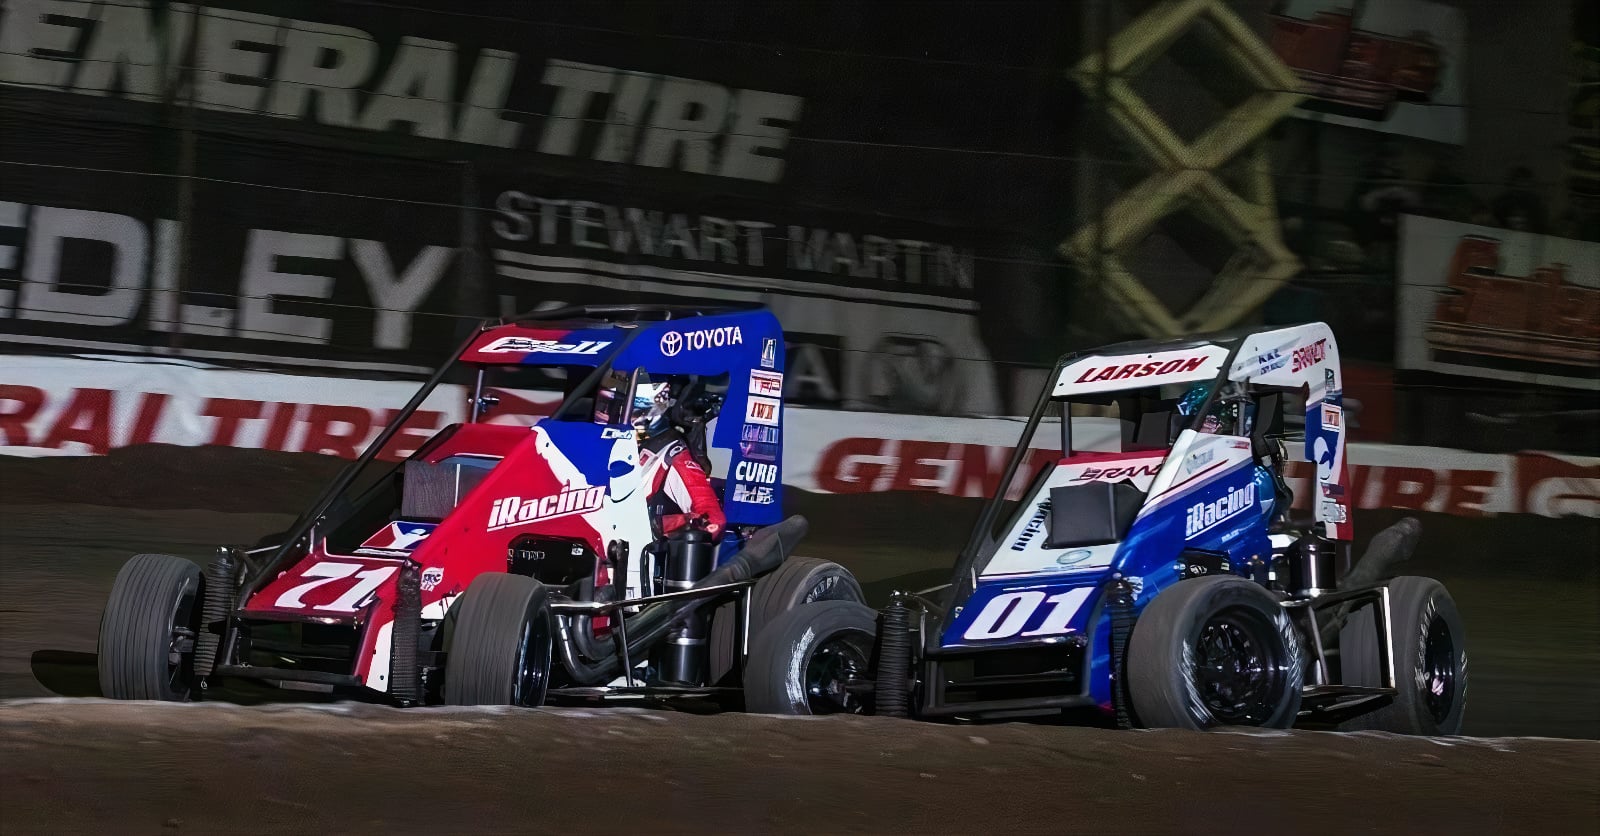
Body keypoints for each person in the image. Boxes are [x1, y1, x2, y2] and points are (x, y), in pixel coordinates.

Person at [626, 379, 726, 539]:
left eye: (621, 408)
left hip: (637, 549)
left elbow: (714, 520)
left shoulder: (672, 455)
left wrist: (660, 525)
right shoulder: (600, 447)